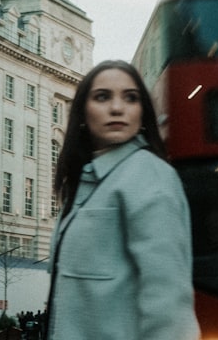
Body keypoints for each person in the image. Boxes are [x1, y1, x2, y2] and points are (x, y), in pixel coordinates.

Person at [47, 60, 200, 340]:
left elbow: (168, 302)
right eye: (103, 97)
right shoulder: (85, 182)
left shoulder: (149, 176)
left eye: (131, 98)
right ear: (81, 112)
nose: (117, 108)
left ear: (142, 113)